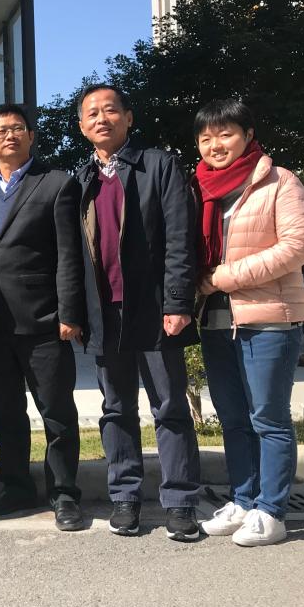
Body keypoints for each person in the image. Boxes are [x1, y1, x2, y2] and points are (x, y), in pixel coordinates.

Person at [74, 84, 203, 541]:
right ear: (82, 126)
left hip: (154, 310)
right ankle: (125, 496)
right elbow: (75, 255)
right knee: (116, 408)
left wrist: (177, 302)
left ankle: (180, 501)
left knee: (169, 406)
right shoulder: (82, 179)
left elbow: (180, 239)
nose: (101, 118)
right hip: (104, 312)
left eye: (111, 110)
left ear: (128, 118)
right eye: (92, 113)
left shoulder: (159, 165)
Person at [191, 99, 304, 546]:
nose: (215, 145)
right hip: (216, 321)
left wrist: (226, 277)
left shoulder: (279, 181)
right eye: (206, 138)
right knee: (233, 419)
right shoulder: (201, 188)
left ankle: (272, 510)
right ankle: (243, 500)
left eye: (225, 134)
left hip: (269, 320)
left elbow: (297, 246)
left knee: (269, 419)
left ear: (247, 135)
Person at [0, 105, 87, 532]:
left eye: (18, 128)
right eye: (1, 130)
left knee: (57, 412)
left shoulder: (56, 183)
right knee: (4, 412)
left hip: (45, 321)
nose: (10, 135)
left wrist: (69, 313)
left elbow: (68, 254)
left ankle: (64, 494)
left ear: (31, 136)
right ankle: (16, 486)